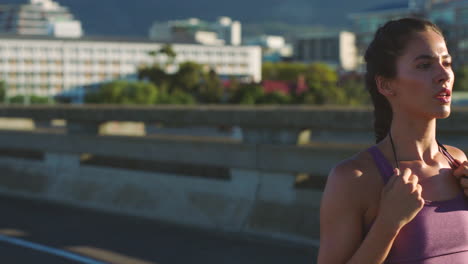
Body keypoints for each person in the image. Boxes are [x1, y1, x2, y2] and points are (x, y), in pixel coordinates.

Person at [317, 18, 468, 263]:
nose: (444, 75)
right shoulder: (354, 178)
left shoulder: (457, 163)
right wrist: (388, 224)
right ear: (386, 84)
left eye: (447, 63)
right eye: (424, 65)